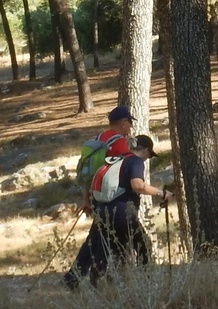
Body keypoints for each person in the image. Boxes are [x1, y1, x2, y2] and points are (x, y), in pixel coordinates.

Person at [65, 134, 172, 288]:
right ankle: (146, 283)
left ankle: (88, 282)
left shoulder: (117, 159)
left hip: (102, 208)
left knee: (102, 247)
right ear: (145, 150)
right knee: (143, 245)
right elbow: (138, 185)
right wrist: (161, 193)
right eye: (149, 155)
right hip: (122, 211)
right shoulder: (135, 161)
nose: (147, 159)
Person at [80, 104, 136, 214]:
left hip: (96, 194)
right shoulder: (121, 143)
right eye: (130, 122)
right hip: (114, 198)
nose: (131, 126)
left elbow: (89, 171)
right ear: (123, 123)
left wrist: (86, 199)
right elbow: (129, 170)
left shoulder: (99, 139)